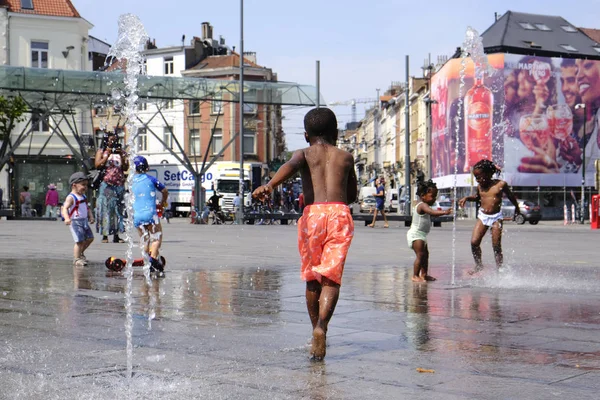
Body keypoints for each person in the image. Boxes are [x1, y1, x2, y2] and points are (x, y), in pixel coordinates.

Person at [252, 107, 357, 361]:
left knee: (313, 277)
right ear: (336, 133)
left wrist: (270, 185)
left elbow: (289, 166)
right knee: (331, 278)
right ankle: (323, 326)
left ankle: (314, 331)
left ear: (306, 134)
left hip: (312, 217)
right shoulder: (346, 157)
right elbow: (352, 195)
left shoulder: (303, 154)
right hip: (339, 214)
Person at [458, 160, 520, 275]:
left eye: (479, 177)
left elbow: (511, 197)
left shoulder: (500, 185)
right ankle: (479, 265)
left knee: (496, 245)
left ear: (488, 174)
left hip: (496, 217)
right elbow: (478, 198)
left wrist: (517, 208)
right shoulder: (479, 187)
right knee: (474, 242)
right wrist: (467, 198)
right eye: (476, 177)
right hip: (483, 216)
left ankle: (500, 269)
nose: (478, 180)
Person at [407, 180, 453, 283]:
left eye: (435, 196)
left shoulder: (425, 205)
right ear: (423, 195)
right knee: (420, 255)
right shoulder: (422, 205)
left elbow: (430, 212)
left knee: (425, 255)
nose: (434, 199)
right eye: (432, 196)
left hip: (421, 235)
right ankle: (415, 275)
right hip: (416, 235)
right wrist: (444, 212)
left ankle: (424, 275)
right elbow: (432, 212)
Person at [131, 156, 169, 275]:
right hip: (150, 215)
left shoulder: (131, 182)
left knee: (144, 239)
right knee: (157, 237)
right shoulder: (151, 179)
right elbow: (165, 191)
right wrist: (163, 202)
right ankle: (152, 260)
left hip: (137, 216)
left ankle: (147, 260)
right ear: (147, 167)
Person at [95, 131, 128, 243]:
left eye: (114, 139)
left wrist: (122, 157)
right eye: (110, 140)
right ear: (106, 140)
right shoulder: (101, 151)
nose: (113, 142)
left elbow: (125, 167)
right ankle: (105, 235)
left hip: (119, 185)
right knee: (106, 209)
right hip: (106, 185)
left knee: (118, 210)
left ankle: (116, 235)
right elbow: (97, 165)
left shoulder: (121, 152)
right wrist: (106, 156)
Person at [62, 172, 95, 267]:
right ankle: (76, 259)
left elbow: (87, 208)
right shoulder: (71, 197)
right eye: (83, 185)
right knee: (79, 241)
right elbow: (64, 208)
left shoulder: (83, 196)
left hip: (84, 221)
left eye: (86, 185)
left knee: (90, 238)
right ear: (74, 185)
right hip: (75, 222)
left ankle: (80, 253)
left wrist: (91, 216)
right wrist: (67, 218)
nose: (85, 187)